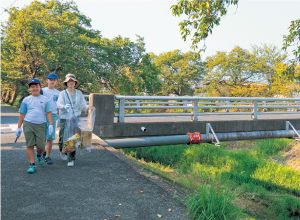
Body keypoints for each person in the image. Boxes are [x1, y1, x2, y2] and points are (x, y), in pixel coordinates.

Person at [16, 79, 53, 173]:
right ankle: (31, 164)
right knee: (29, 145)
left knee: (41, 147)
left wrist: (51, 125)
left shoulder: (45, 99)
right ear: (29, 89)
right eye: (32, 86)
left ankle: (39, 155)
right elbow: (22, 114)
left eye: (37, 86)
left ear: (40, 87)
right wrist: (19, 127)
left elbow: (49, 112)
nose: (35, 88)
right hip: (28, 124)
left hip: (40, 125)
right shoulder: (26, 99)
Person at [57, 74, 93, 167]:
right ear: (66, 83)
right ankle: (63, 150)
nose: (71, 83)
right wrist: (64, 107)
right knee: (62, 139)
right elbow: (59, 104)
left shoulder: (79, 93)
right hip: (64, 118)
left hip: (75, 118)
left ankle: (71, 159)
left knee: (73, 139)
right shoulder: (62, 93)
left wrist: (89, 107)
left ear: (75, 83)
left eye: (72, 81)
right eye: (69, 81)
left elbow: (82, 105)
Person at [40, 73, 60, 164]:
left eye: (54, 80)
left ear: (56, 82)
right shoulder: (42, 91)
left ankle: (48, 156)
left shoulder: (59, 93)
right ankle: (42, 152)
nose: (52, 81)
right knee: (42, 136)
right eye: (50, 79)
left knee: (50, 137)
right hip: (42, 115)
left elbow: (59, 106)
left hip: (53, 115)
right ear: (47, 80)